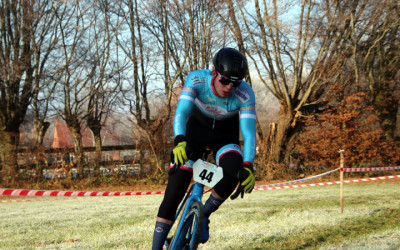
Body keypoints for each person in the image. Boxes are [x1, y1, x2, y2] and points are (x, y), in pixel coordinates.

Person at [152, 47, 257, 249]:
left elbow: (249, 133)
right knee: (175, 188)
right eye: (225, 80)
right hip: (195, 131)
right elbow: (181, 113)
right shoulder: (197, 79)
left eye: (235, 83)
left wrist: (248, 165)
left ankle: (204, 216)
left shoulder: (245, 94)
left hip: (225, 134)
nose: (229, 87)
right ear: (214, 73)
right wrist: (180, 140)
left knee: (234, 171)